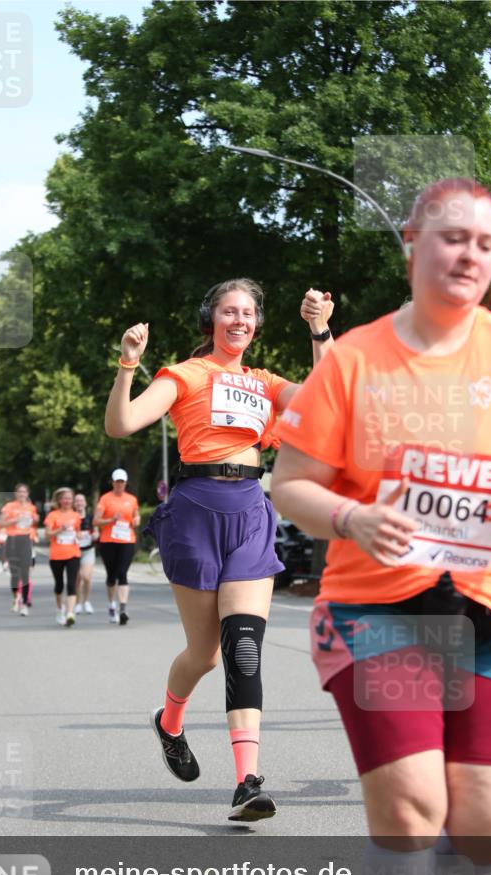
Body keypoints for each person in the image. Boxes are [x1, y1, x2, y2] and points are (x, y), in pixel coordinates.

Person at [271, 178, 491, 875]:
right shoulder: (353, 358)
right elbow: (292, 484)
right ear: (411, 244)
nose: (466, 254)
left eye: (484, 244)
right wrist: (352, 519)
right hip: (381, 610)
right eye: (450, 236)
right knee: (407, 809)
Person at [105, 277, 334, 820]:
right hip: (194, 513)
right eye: (229, 311)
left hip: (251, 511)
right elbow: (122, 424)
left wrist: (320, 330)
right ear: (211, 318)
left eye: (249, 313)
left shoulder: (265, 383)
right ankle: (169, 722)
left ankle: (246, 782)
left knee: (244, 646)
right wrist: (127, 365)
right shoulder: (184, 375)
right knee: (205, 654)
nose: (240, 321)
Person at [94, 470, 140, 625]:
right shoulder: (105, 499)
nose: (119, 484)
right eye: (117, 481)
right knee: (111, 576)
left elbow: (136, 515)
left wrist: (137, 519)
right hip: (108, 541)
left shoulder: (131, 499)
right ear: (112, 482)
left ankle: (123, 609)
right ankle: (111, 604)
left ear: (126, 483)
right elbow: (96, 521)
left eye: (122, 482)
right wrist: (110, 520)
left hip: (127, 540)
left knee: (123, 573)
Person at [0, 484, 39, 616]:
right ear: (15, 494)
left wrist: (36, 519)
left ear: (27, 494)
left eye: (24, 492)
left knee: (25, 572)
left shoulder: (31, 507)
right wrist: (15, 519)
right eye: (19, 492)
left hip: (26, 539)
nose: (22, 494)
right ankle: (16, 597)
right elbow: (1, 523)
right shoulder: (9, 506)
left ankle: (25, 604)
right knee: (15, 574)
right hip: (12, 540)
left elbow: (35, 520)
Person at [44, 487, 82, 626]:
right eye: (64, 498)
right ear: (59, 500)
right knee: (59, 585)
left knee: (72, 584)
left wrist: (78, 535)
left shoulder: (76, 515)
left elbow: (78, 532)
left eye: (69, 498)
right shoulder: (53, 515)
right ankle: (60, 609)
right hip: (57, 554)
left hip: (73, 553)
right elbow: (47, 535)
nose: (67, 501)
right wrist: (61, 529)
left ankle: (70, 613)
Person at [73, 492, 97, 614]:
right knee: (78, 578)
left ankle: (86, 601)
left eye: (81, 501)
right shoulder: (71, 518)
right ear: (74, 504)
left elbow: (97, 533)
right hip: (74, 551)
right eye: (77, 501)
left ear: (85, 503)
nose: (79, 503)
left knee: (86, 577)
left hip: (88, 550)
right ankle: (77, 603)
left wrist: (94, 536)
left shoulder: (90, 518)